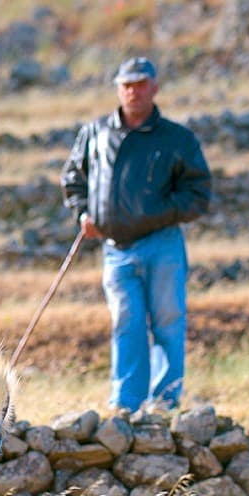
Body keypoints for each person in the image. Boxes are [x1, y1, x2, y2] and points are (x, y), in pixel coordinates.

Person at [61, 56, 211, 413]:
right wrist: (84, 213)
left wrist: (155, 214)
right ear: (118, 89)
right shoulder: (95, 133)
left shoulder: (178, 139)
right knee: (126, 324)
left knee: (167, 322)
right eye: (127, 85)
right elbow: (72, 179)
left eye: (141, 84)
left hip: (162, 244)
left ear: (155, 87)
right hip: (116, 249)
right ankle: (126, 406)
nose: (134, 91)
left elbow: (198, 193)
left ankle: (164, 402)